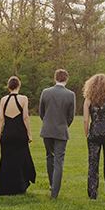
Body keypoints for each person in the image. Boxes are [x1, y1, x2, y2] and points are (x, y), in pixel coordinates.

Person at [0, 75, 37, 195]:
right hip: (19, 133)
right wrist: (29, 133)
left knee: (6, 161)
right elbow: (25, 117)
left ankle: (4, 187)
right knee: (20, 160)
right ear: (19, 86)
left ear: (8, 87)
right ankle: (19, 186)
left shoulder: (3, 100)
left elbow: (1, 119)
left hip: (7, 133)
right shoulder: (23, 99)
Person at [39, 68, 76, 200]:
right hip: (61, 130)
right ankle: (54, 192)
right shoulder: (70, 95)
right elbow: (71, 116)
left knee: (49, 157)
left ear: (55, 79)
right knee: (58, 160)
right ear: (66, 80)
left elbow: (41, 112)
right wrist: (64, 125)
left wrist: (48, 123)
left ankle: (52, 184)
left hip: (47, 129)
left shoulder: (45, 92)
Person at [82, 73, 105, 199]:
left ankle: (93, 193)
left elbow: (86, 120)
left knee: (93, 163)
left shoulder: (88, 99)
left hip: (94, 132)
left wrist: (87, 133)